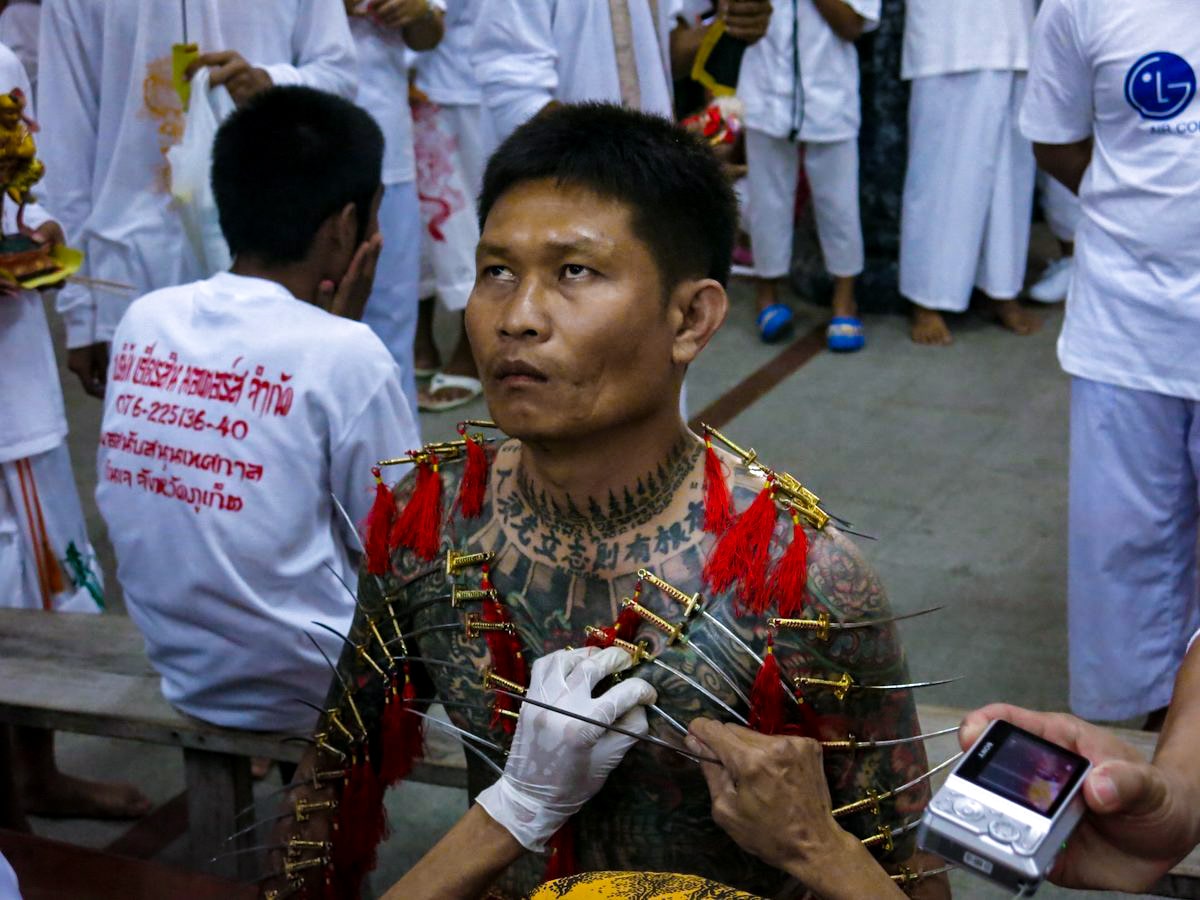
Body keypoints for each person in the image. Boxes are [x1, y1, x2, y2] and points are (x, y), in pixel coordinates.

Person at [276, 102, 939, 899]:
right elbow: (332, 778)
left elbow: (907, 871)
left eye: (574, 273)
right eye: (497, 271)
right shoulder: (434, 521)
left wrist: (814, 846)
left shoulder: (801, 584)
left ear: (690, 318)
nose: (517, 319)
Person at [95, 86, 419, 734]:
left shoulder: (144, 320)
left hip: (185, 669)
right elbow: (404, 552)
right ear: (343, 227)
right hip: (313, 685)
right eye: (375, 217)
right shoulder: (346, 354)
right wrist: (340, 339)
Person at [1021, 0, 1200, 728]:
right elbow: (1057, 142)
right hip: (1127, 322)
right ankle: (1150, 715)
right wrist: (1145, 216)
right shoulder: (1085, 4)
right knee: (1124, 542)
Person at [37, 0, 357, 400]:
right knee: (160, 448)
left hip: (274, 255)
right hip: (132, 265)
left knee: (277, 438)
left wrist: (272, 85)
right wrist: (81, 312)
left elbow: (340, 74)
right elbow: (65, 136)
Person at [0, 40, 148, 829]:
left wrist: (42, 234)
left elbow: (36, 188)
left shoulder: (2, 64)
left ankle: (37, 776)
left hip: (12, 381)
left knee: (41, 572)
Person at [898, 0, 1043, 346]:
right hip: (948, 39)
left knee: (1011, 180)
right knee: (939, 177)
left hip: (1016, 32)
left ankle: (1001, 289)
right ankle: (926, 297)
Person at [739, 0, 879, 349]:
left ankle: (845, 302)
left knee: (839, 204)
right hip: (764, 91)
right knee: (767, 200)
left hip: (831, 97)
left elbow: (852, 25)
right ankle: (767, 297)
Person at [471, 0, 772, 144]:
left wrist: (730, 26)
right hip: (559, 193)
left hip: (646, 183)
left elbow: (658, 51)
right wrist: (641, 149)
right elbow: (517, 100)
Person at [347, 0, 444, 414]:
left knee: (390, 325)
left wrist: (417, 11)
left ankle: (400, 469)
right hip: (295, 144)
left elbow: (430, 31)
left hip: (385, 147)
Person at [411, 0, 488, 412]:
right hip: (400, 72)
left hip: (469, 74)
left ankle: (470, 341)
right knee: (420, 218)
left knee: (464, 217)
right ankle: (419, 334)